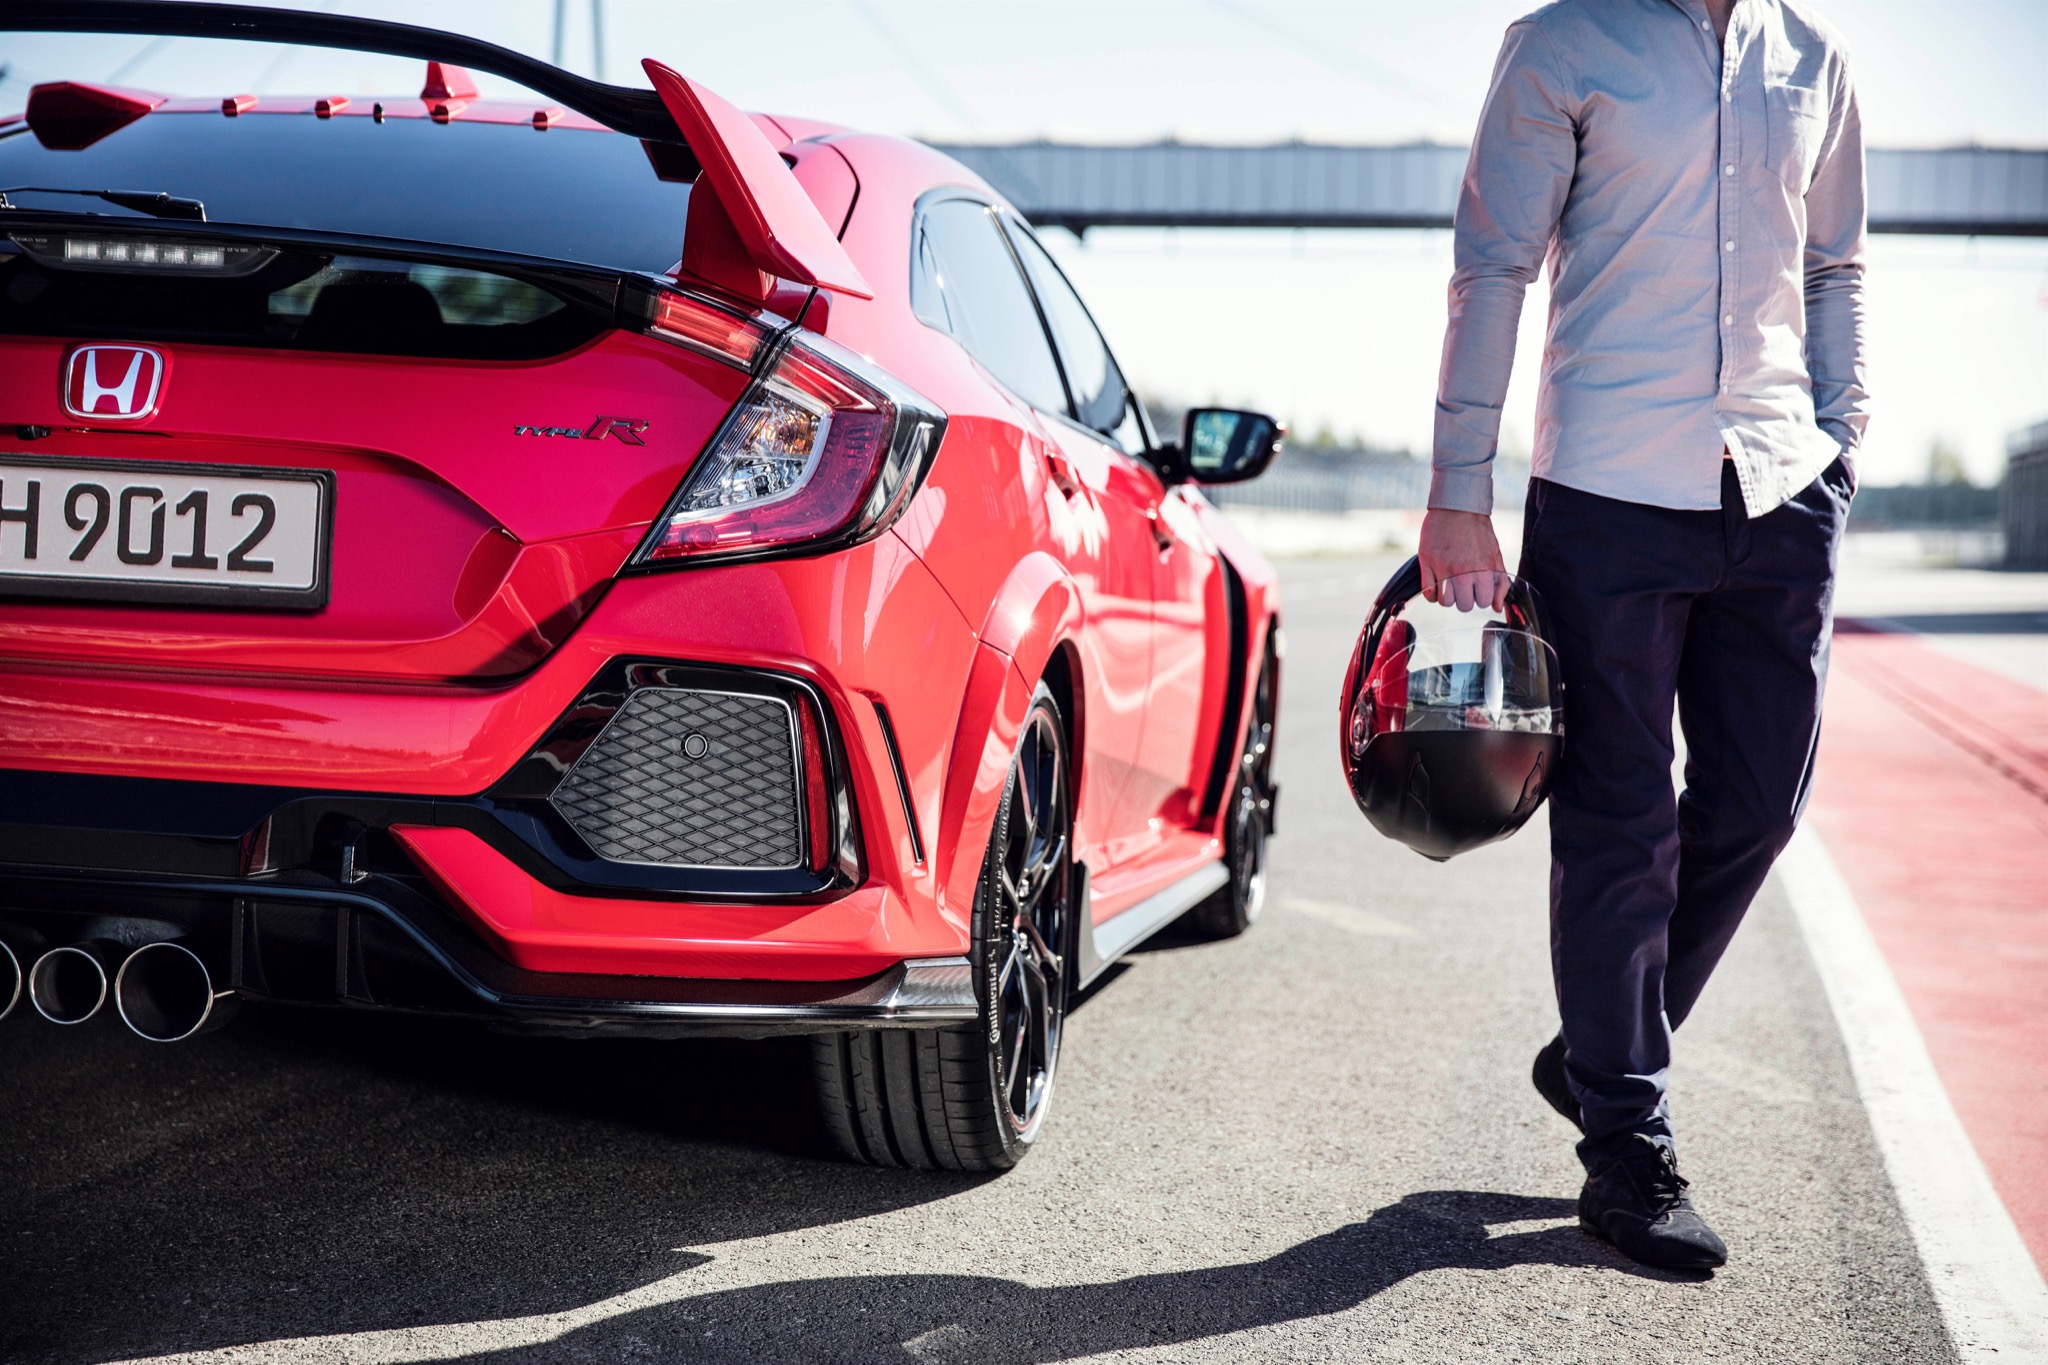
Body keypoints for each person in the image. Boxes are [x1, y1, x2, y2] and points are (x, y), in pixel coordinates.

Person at [1419, 0, 1867, 1269]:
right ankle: (1625, 1144)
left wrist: (1841, 436)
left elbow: (1833, 267)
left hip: (1780, 487)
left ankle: (1597, 1047)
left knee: (1759, 805)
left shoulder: (1815, 62)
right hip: (1606, 494)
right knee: (1619, 820)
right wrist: (1457, 491)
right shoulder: (1563, 43)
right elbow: (1491, 267)